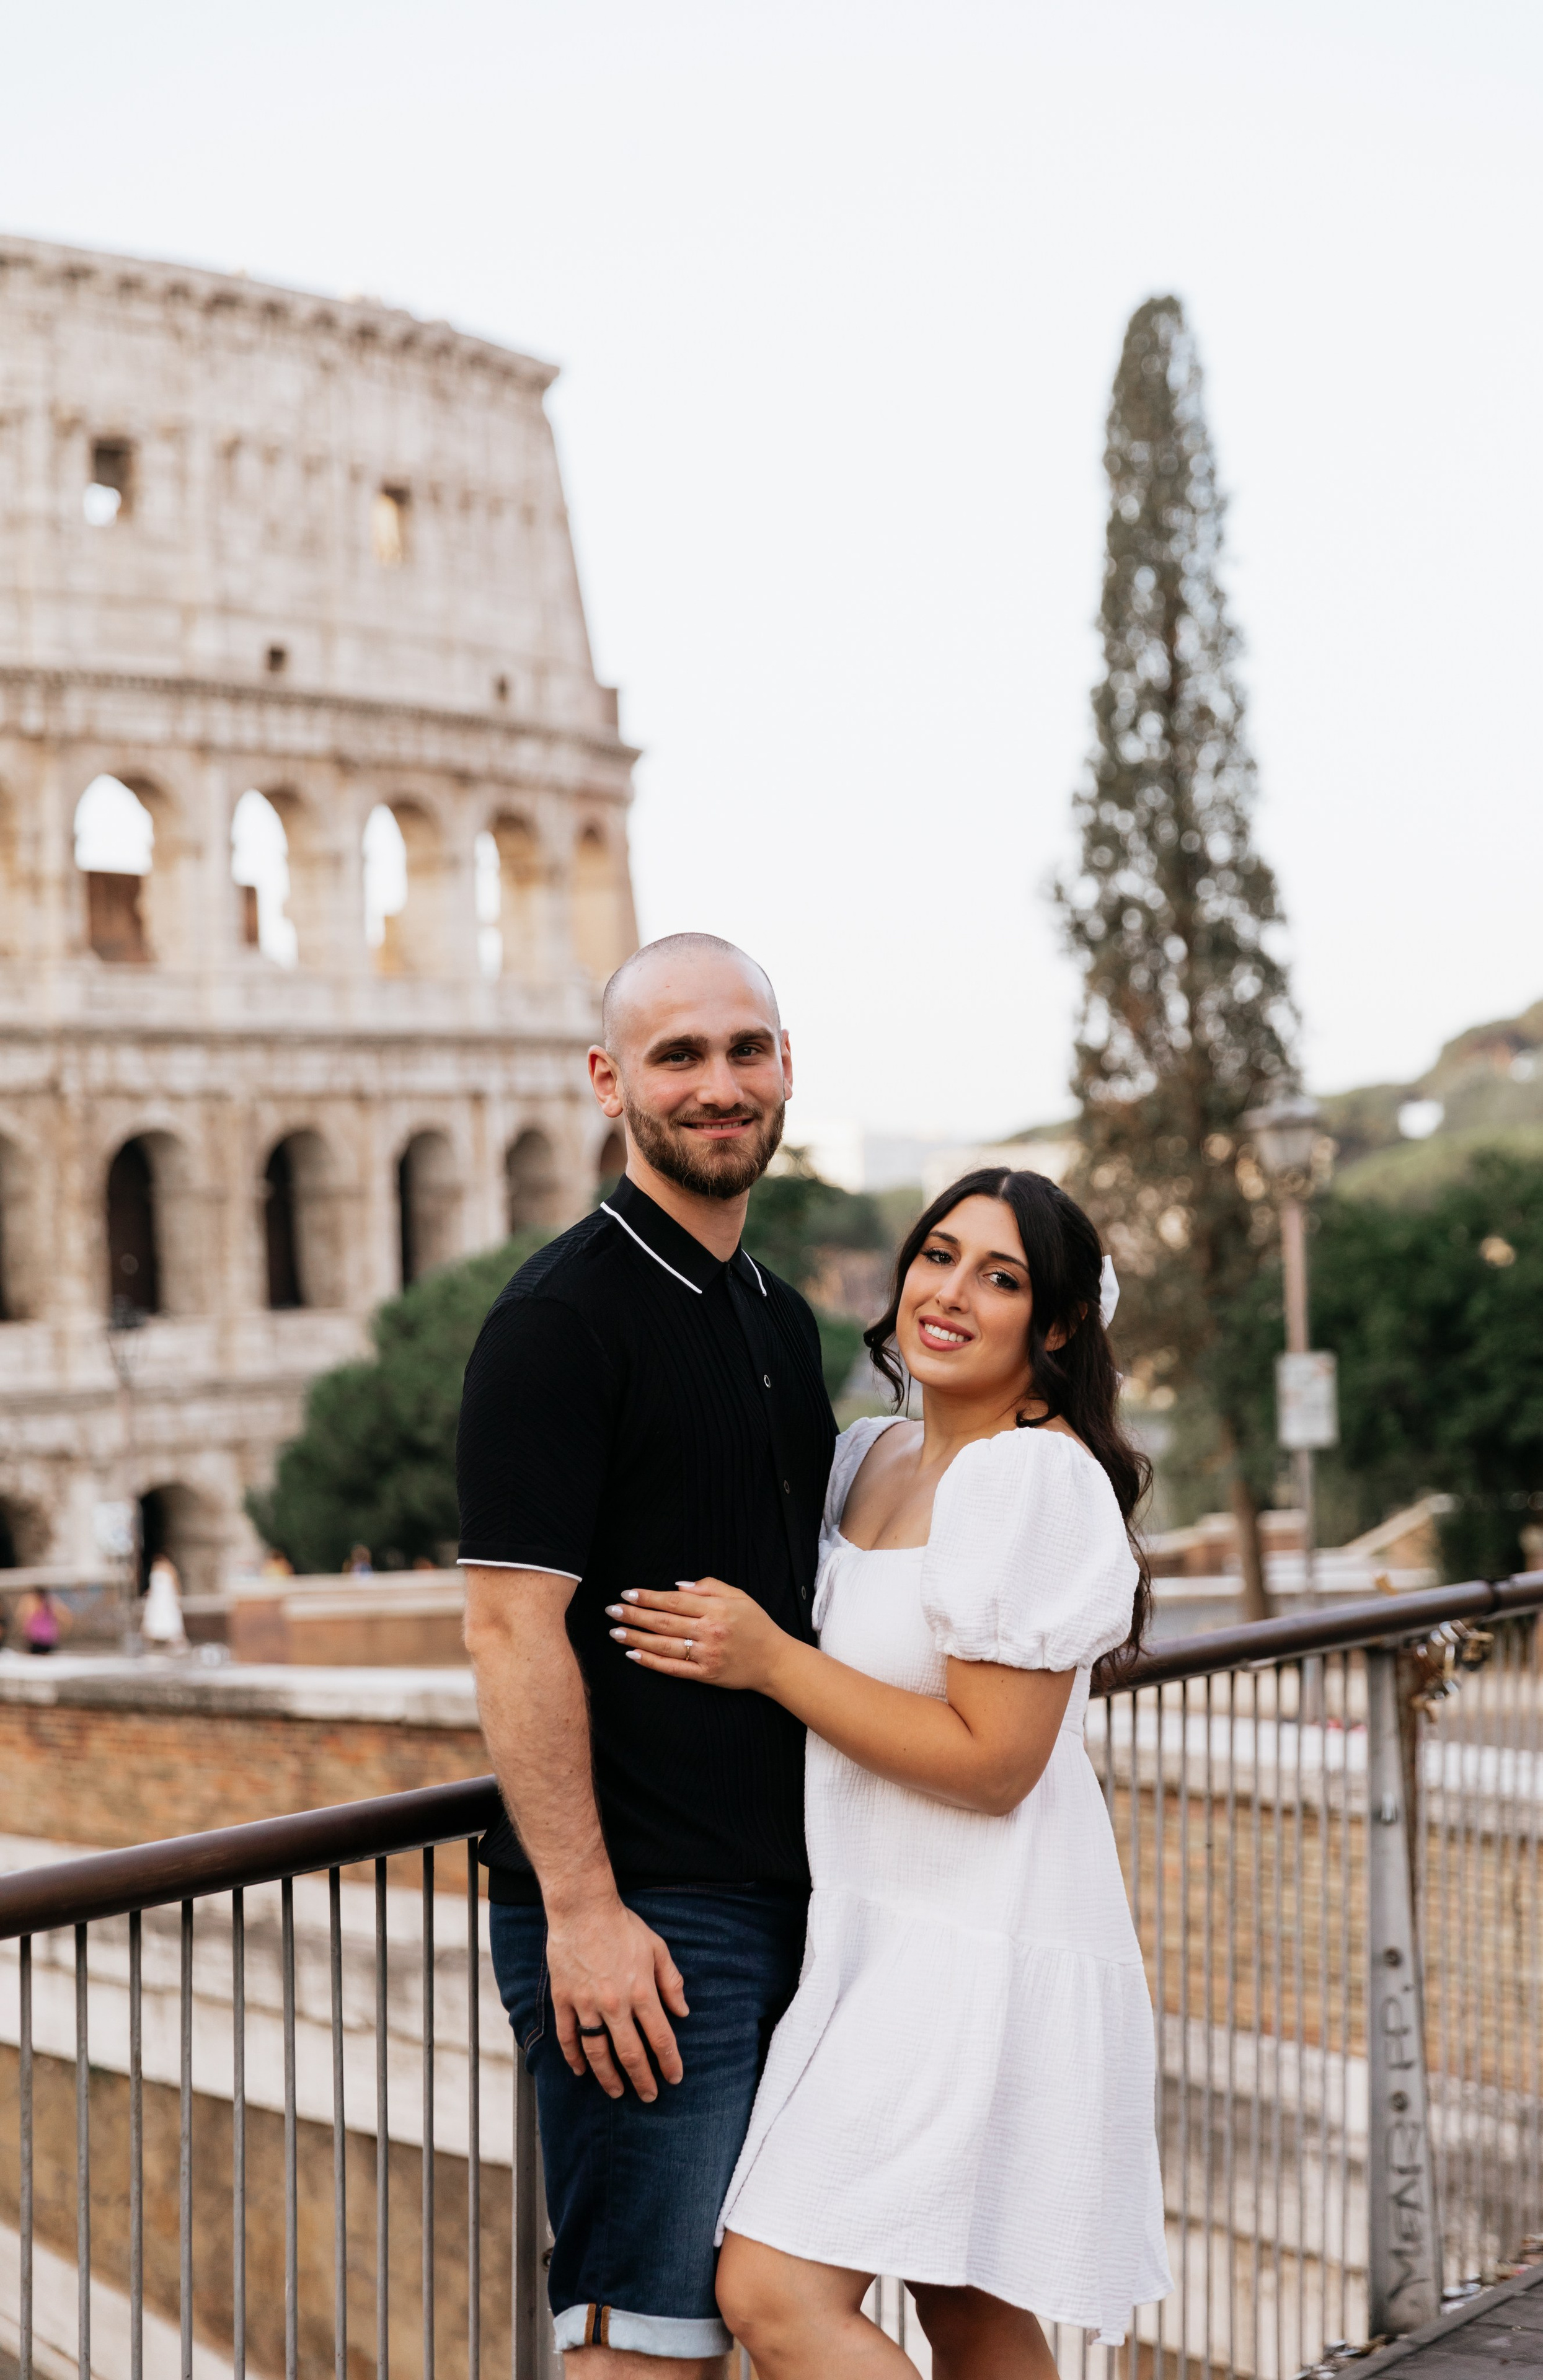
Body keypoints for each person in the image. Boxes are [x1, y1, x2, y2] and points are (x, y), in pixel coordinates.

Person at [609, 1169, 1171, 2378]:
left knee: (768, 2290)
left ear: (1058, 1326)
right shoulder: (868, 1456)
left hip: (981, 1942)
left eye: (1001, 1276)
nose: (951, 1292)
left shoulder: (1031, 1477)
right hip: (875, 1937)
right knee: (963, 2305)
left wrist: (766, 1661)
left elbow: (993, 1765)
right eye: (937, 1255)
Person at [458, 933, 835, 2375]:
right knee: (640, 2337)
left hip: (793, 1898)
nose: (719, 1084)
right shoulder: (560, 1321)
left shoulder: (772, 1318)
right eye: (679, 1055)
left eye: (745, 1050)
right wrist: (583, 1911)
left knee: (758, 2315)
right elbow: (508, 1624)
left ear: (785, 1068)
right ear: (610, 1083)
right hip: (649, 1924)